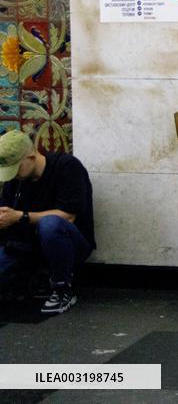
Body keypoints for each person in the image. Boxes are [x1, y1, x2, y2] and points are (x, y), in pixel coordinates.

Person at [0, 130, 94, 314]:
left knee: (51, 224)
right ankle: (28, 280)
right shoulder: (15, 181)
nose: (14, 175)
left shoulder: (66, 167)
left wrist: (19, 216)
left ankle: (62, 289)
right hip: (23, 246)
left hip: (69, 243)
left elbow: (67, 216)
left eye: (17, 167)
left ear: (32, 156)